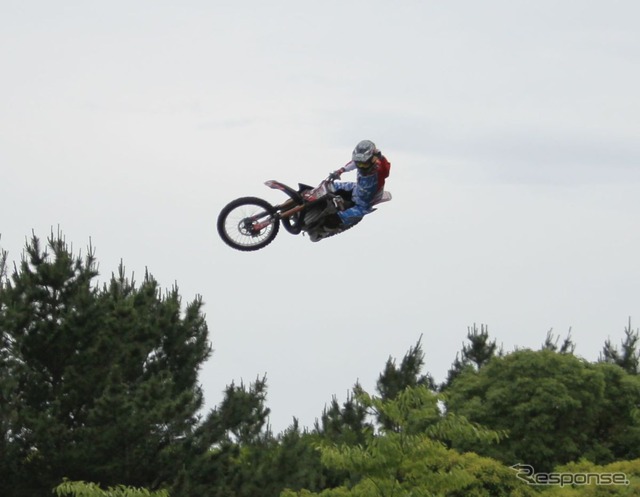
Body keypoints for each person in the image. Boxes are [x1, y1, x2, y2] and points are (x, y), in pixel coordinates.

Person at [324, 139, 391, 229]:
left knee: (338, 219)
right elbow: (352, 164)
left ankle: (327, 228)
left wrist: (382, 158)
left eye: (364, 165)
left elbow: (386, 171)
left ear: (373, 160)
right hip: (356, 188)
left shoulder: (379, 169)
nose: (361, 167)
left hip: (365, 202)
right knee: (328, 185)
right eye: (359, 164)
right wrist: (340, 171)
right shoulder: (361, 161)